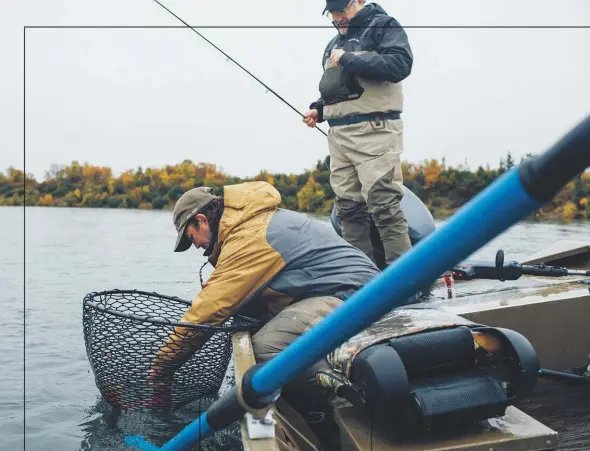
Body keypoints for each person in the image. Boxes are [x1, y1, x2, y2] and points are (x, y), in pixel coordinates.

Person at [148, 181, 380, 450]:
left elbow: (205, 314)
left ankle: (325, 417)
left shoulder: (248, 237)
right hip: (347, 290)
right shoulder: (252, 221)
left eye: (191, 238)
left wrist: (162, 368)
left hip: (358, 297)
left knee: (263, 348)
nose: (196, 247)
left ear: (201, 220)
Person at [303, 0, 414, 266]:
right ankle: (360, 279)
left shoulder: (384, 25)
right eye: (333, 12)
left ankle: (407, 282)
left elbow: (400, 65)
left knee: (383, 205)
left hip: (374, 130)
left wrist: (349, 59)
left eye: (343, 10)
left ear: (359, 2)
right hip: (339, 135)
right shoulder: (333, 43)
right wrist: (319, 108)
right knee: (349, 210)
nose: (338, 17)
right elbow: (337, 88)